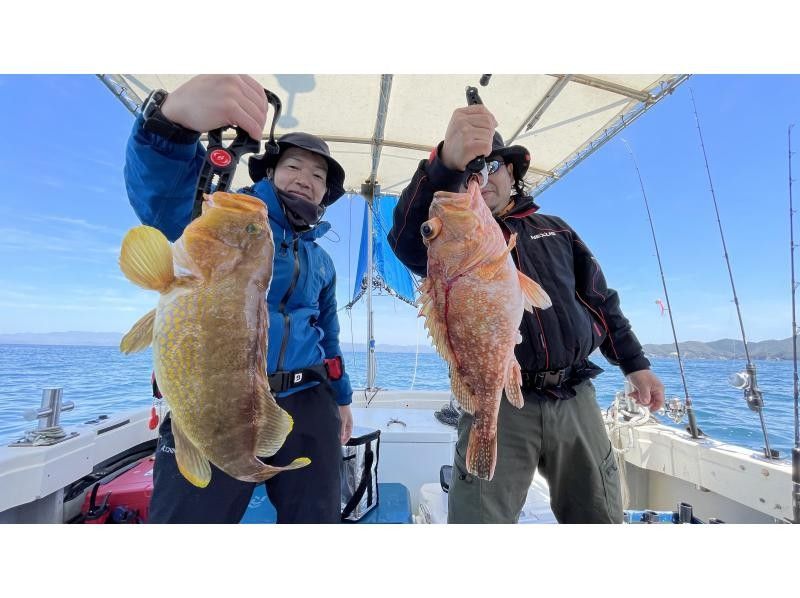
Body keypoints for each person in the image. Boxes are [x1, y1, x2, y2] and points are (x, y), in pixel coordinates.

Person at [388, 104, 665, 524]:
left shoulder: (557, 229)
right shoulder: (451, 236)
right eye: (472, 170)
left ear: (513, 173)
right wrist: (446, 166)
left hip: (575, 395)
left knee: (599, 515)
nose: (482, 176)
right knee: (480, 519)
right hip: (496, 396)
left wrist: (635, 364)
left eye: (492, 165)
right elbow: (408, 240)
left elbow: (600, 300)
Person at [124, 74, 353, 524]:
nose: (305, 179)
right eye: (293, 166)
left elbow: (329, 337)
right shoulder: (219, 216)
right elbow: (163, 198)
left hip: (309, 401)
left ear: (326, 193)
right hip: (216, 399)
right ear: (269, 172)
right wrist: (171, 125)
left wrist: (341, 400)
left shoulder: (322, 261)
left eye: (318, 174)